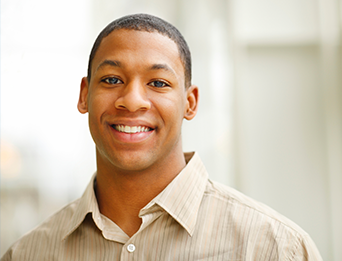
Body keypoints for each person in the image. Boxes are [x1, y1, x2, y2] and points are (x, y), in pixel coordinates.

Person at [1, 13, 323, 260]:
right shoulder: (29, 253)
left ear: (190, 102)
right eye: (112, 79)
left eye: (158, 83)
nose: (132, 100)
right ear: (84, 95)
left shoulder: (274, 248)